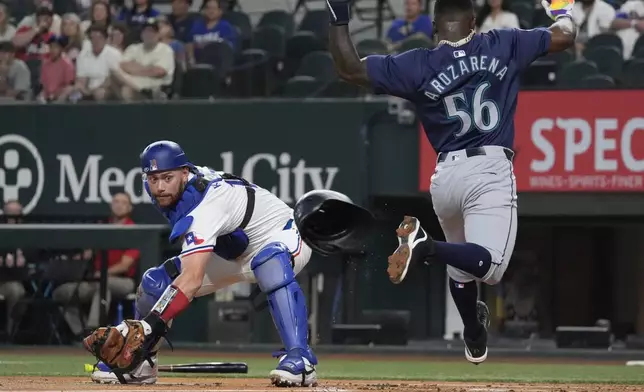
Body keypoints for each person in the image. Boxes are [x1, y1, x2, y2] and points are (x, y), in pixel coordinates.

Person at [325, 0, 577, 364]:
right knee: (490, 267)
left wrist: (339, 16)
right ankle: (426, 246)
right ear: (474, 23)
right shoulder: (503, 42)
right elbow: (565, 37)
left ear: (433, 27)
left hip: (445, 176)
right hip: (488, 168)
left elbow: (348, 69)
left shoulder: (415, 63)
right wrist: (562, 9)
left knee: (462, 269)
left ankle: (474, 334)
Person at [84, 141, 318, 387]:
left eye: (167, 177)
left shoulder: (206, 205)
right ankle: (141, 363)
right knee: (156, 282)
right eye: (153, 179)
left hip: (283, 236)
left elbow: (192, 280)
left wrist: (149, 325)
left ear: (184, 172)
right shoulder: (174, 189)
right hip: (234, 251)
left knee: (268, 261)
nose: (160, 186)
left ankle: (301, 359)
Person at [52, 192, 139, 336]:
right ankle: (81, 333)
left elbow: (125, 265)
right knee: (62, 293)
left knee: (103, 287)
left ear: (129, 207)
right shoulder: (102, 228)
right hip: (94, 280)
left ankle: (94, 332)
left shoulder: (133, 230)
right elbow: (87, 254)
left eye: (123, 202)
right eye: (116, 201)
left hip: (123, 281)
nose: (118, 205)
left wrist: (103, 274)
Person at [186, 0, 237, 66]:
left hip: (219, 64)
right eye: (208, 8)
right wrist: (191, 59)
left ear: (220, 11)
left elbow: (229, 49)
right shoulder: (197, 26)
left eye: (214, 8)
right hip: (198, 63)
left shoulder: (225, 27)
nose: (211, 11)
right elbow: (189, 43)